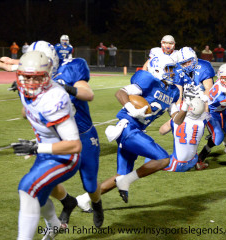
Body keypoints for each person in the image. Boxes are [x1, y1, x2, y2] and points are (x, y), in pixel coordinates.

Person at [77, 54, 191, 209]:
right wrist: (132, 109)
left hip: (136, 130)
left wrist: (185, 108)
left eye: (172, 69)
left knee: (121, 176)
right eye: (169, 69)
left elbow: (176, 120)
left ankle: (83, 199)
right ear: (157, 69)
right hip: (127, 127)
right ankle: (126, 182)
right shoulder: (148, 80)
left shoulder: (173, 92)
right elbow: (121, 93)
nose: (172, 73)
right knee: (164, 158)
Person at [25, 40, 104, 228]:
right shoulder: (33, 79)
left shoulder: (72, 67)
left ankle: (97, 204)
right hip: (57, 139)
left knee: (90, 184)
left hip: (83, 135)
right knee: (46, 180)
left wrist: (64, 88)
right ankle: (68, 201)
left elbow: (88, 93)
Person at [11, 51, 81, 240]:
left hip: (65, 157)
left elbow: (75, 146)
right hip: (46, 152)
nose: (31, 83)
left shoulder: (54, 97)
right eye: (26, 77)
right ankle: (55, 226)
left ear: (47, 76)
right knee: (38, 199)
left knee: (27, 188)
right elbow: (28, 112)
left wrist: (36, 148)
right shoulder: (24, 89)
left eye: (37, 78)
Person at [173, 47, 215, 170]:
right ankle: (191, 159)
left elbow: (209, 90)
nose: (186, 65)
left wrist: (206, 111)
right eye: (183, 63)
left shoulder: (204, 66)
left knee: (217, 136)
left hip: (204, 103)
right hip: (188, 105)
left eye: (188, 61)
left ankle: (201, 155)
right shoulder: (178, 70)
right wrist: (179, 110)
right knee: (185, 132)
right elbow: (178, 94)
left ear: (195, 58)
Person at [148, 97, 208, 172]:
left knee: (149, 159)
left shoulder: (175, 121)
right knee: (191, 143)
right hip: (193, 161)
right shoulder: (203, 123)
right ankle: (198, 163)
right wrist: (206, 102)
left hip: (177, 164)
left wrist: (172, 120)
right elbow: (207, 113)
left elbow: (161, 131)